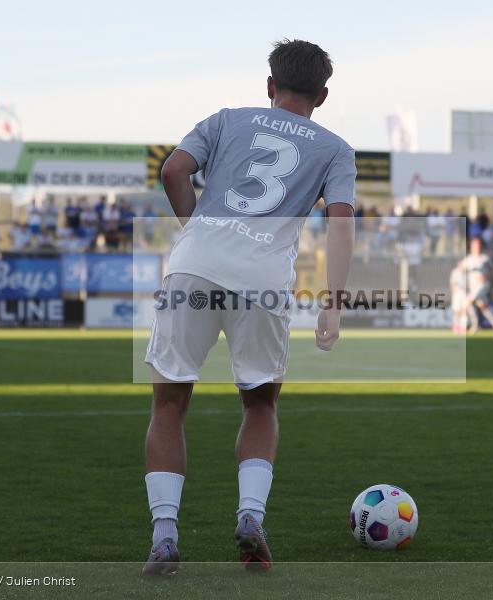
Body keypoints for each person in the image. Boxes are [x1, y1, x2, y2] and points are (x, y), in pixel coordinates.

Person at [141, 39, 356, 576]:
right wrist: (333, 302)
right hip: (262, 279)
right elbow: (342, 222)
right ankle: (250, 517)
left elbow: (173, 171)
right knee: (260, 405)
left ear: (270, 85)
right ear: (323, 96)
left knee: (169, 405)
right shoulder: (335, 149)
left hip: (195, 265)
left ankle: (165, 536)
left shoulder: (226, 119)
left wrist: (198, 233)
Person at [457, 237, 493, 338]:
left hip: (483, 285)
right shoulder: (468, 259)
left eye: (477, 245)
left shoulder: (485, 258)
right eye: (474, 245)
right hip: (473, 287)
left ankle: (472, 326)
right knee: (483, 308)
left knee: (466, 303)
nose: (476, 247)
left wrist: (487, 276)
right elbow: (460, 268)